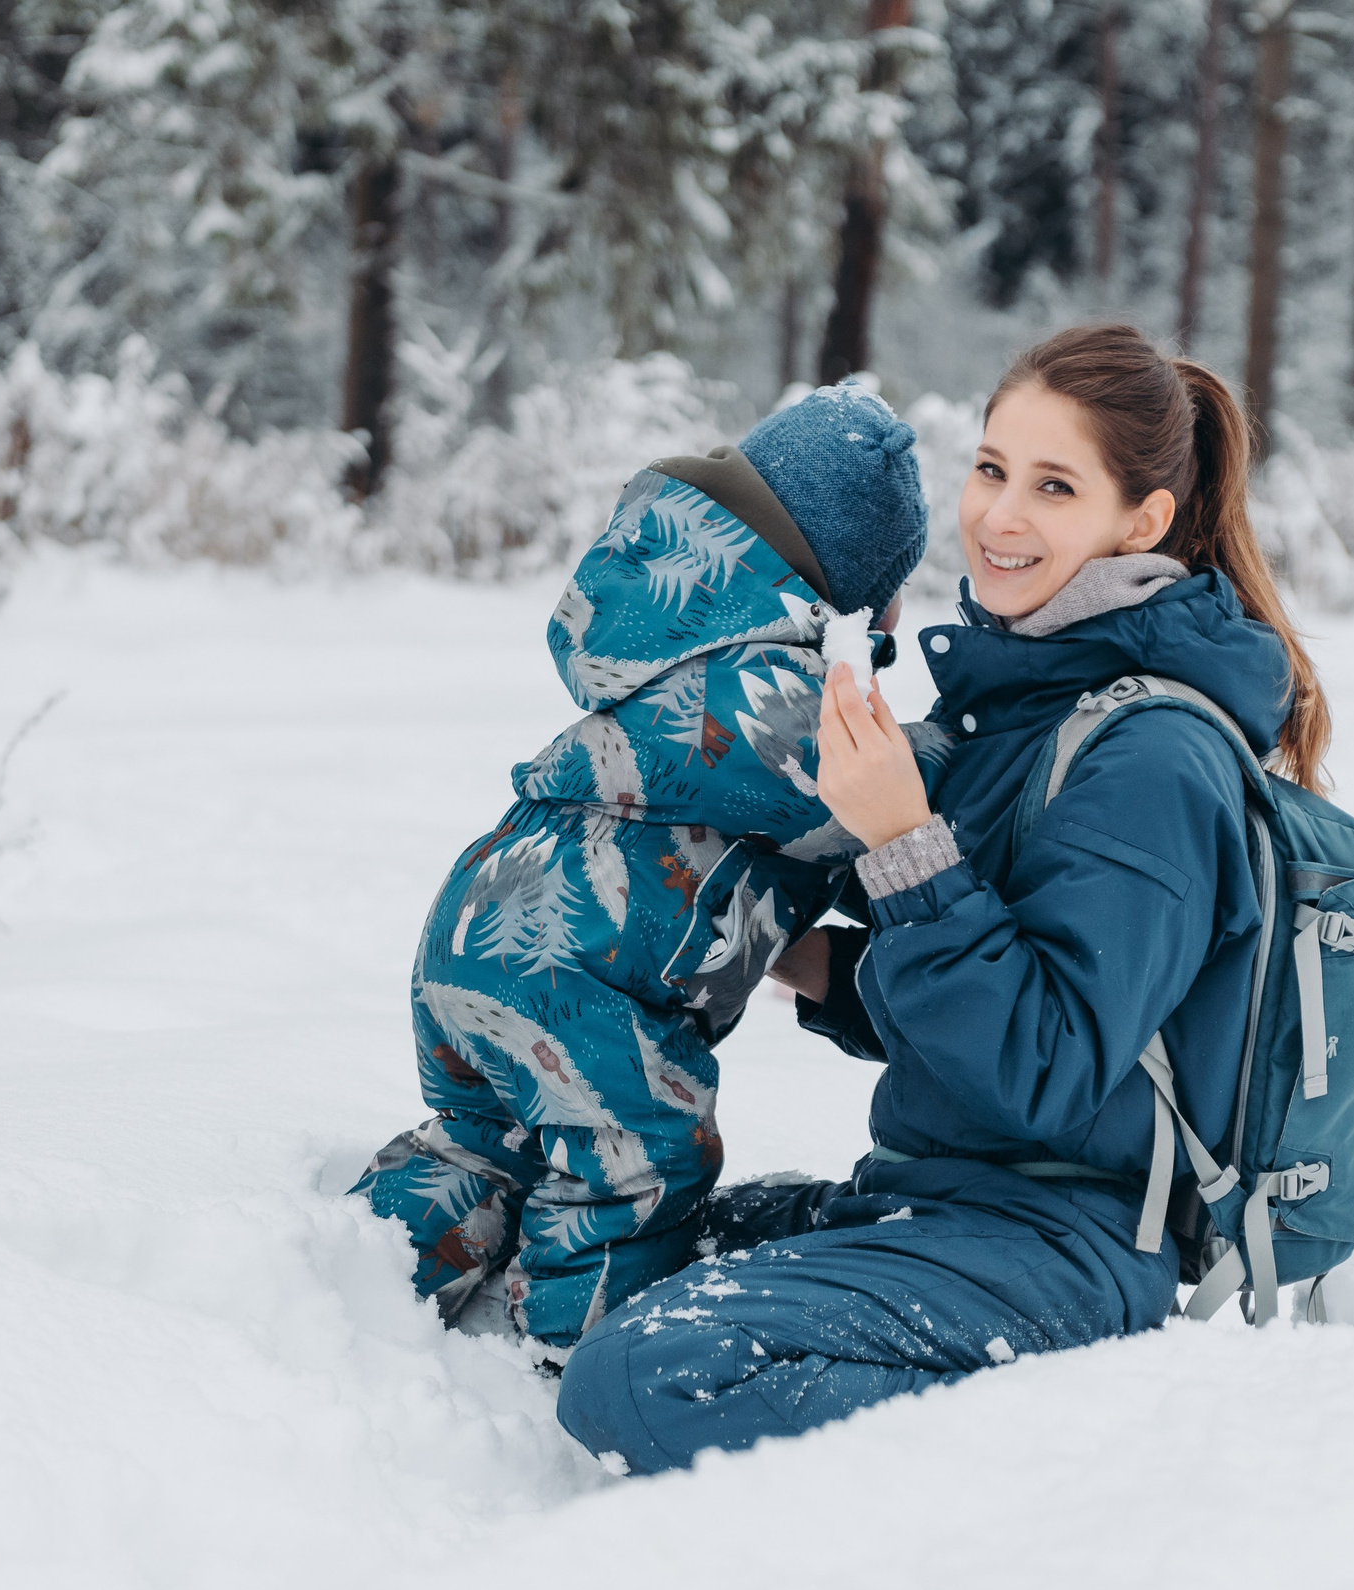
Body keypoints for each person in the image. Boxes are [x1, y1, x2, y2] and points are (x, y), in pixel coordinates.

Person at [555, 322, 1333, 1473]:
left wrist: (902, 839)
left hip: (1067, 1237)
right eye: (989, 468)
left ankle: (1026, 1460)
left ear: (1142, 521)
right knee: (636, 1238)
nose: (999, 516)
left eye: (1053, 486)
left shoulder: (1154, 757)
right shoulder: (1032, 706)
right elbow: (991, 994)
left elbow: (1048, 1065)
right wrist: (778, 945)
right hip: (948, 1198)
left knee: (645, 1370)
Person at [349, 385, 949, 1355]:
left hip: (478, 923)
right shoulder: (772, 691)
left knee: (487, 1138)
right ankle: (573, 1367)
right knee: (635, 1162)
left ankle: (349, 1279)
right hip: (576, 974)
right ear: (849, 589)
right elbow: (865, 799)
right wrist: (968, 757)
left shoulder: (677, 637)